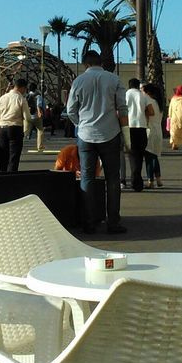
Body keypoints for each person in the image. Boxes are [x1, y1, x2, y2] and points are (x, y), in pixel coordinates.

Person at [66, 49, 127, 234]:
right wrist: (125, 133)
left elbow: (70, 110)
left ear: (86, 64)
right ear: (101, 62)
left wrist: (81, 123)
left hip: (86, 136)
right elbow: (123, 108)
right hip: (110, 133)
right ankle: (113, 222)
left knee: (87, 178)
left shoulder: (78, 81)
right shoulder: (114, 79)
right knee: (113, 179)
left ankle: (89, 222)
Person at [0, 78, 29, 173]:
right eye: (25, 89)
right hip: (15, 128)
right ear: (22, 88)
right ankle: (11, 177)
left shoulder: (3, 98)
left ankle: (2, 175)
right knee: (14, 155)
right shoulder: (21, 99)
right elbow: (27, 117)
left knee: (3, 155)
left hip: (2, 128)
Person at [124, 77, 150, 191]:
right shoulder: (143, 95)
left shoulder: (126, 95)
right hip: (142, 127)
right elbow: (151, 111)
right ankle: (137, 180)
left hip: (129, 127)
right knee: (140, 155)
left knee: (132, 154)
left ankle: (135, 180)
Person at [143, 81, 165, 188]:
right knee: (154, 156)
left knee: (148, 157)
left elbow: (148, 113)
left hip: (150, 130)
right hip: (158, 130)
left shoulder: (148, 101)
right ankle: (158, 179)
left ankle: (150, 181)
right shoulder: (158, 102)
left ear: (148, 92)